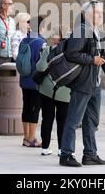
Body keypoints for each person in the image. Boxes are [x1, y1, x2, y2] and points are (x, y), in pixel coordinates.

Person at [59, 0, 105, 167]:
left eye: (101, 12)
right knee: (74, 120)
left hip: (95, 83)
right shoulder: (81, 30)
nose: (101, 15)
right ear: (87, 14)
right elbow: (71, 53)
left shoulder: (94, 31)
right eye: (97, 12)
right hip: (83, 83)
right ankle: (66, 154)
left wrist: (100, 58)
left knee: (91, 121)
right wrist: (92, 59)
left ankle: (90, 154)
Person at [36, 28, 70, 156]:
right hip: (65, 91)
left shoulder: (49, 50)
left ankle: (45, 147)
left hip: (47, 90)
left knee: (47, 119)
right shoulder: (72, 53)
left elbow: (40, 67)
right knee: (63, 121)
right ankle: (61, 149)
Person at [19, 16, 46, 148]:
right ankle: (32, 138)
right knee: (35, 109)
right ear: (40, 27)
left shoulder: (24, 40)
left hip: (24, 79)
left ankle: (25, 137)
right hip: (36, 81)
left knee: (26, 107)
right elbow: (42, 63)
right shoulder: (41, 42)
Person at [0, 0, 16, 69]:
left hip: (10, 56)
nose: (12, 6)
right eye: (10, 4)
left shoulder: (12, 21)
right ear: (3, 5)